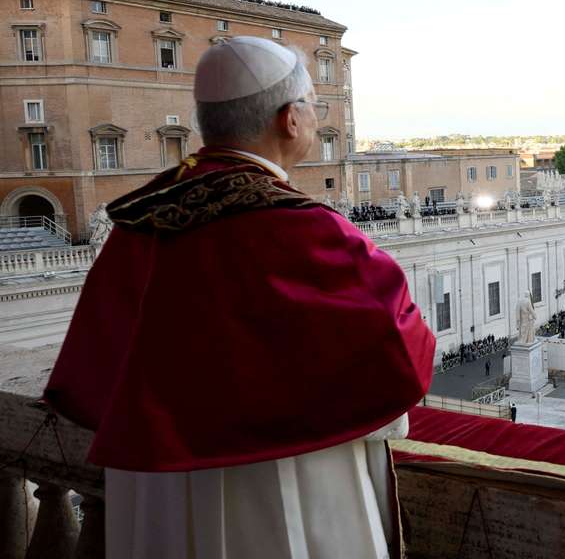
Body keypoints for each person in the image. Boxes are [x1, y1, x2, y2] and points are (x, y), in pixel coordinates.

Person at [42, 37, 436, 559]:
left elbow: (98, 362)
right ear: (290, 120)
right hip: (284, 474)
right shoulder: (307, 227)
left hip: (158, 482)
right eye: (313, 108)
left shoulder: (141, 221)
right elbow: (402, 345)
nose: (315, 121)